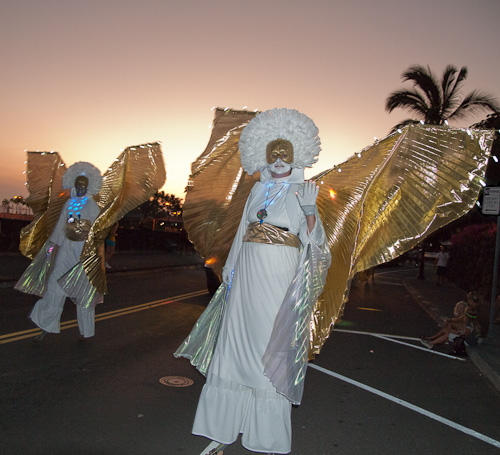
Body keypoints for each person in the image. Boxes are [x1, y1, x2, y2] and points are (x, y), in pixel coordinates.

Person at [176, 108, 331, 454]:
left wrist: (309, 213)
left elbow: (316, 244)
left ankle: (268, 438)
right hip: (245, 278)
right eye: (273, 155)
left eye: (285, 156)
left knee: (267, 350)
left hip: (278, 279)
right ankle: (222, 431)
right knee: (234, 349)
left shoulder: (301, 192)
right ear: (264, 156)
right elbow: (242, 234)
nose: (278, 162)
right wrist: (229, 270)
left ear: (296, 159)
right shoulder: (256, 192)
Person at [15, 162, 103, 341]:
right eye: (77, 185)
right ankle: (46, 325)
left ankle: (86, 332)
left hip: (83, 253)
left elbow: (97, 234)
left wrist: (96, 258)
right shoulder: (69, 204)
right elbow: (59, 231)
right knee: (55, 287)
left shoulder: (93, 207)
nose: (79, 188)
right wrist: (50, 251)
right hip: (66, 251)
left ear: (88, 187)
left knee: (83, 294)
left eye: (82, 185)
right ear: (73, 185)